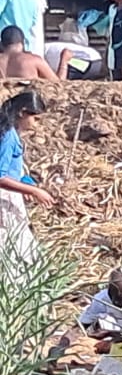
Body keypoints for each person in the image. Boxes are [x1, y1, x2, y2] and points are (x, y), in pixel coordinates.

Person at [0, 90, 52, 262]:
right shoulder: (8, 136)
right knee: (18, 250)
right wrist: (34, 191)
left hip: (10, 196)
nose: (36, 124)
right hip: (5, 200)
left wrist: (27, 183)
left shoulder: (11, 134)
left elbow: (14, 171)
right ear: (22, 112)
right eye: (35, 119)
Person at [80, 267, 122, 339]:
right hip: (112, 336)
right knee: (104, 318)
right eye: (114, 296)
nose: (116, 302)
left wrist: (110, 333)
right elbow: (82, 325)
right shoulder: (100, 299)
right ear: (109, 289)